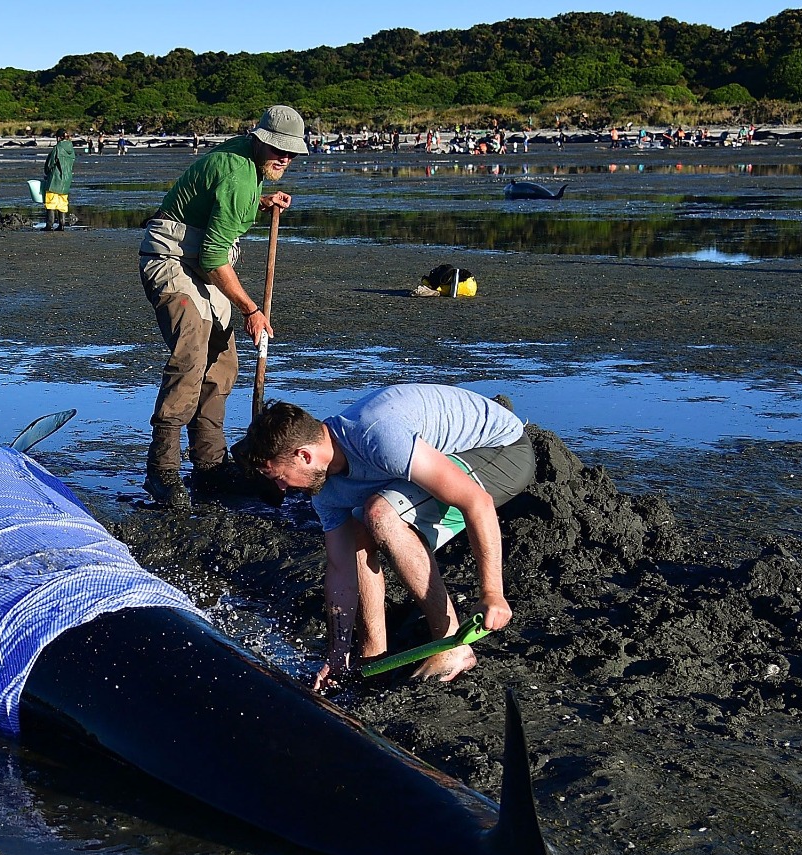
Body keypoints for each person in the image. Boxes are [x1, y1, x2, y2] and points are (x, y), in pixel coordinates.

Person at [241, 386, 535, 688]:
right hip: (437, 455)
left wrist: (492, 595)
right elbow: (341, 569)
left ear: (304, 455)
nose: (281, 489)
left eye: (277, 477)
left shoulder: (378, 436)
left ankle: (452, 646)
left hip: (501, 450)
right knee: (358, 529)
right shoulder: (325, 493)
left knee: (380, 514)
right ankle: (373, 657)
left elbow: (477, 502)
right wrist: (338, 653)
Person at [137, 104, 305, 507]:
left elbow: (217, 212)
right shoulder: (237, 176)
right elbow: (213, 257)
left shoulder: (247, 165)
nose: (284, 158)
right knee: (191, 357)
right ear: (259, 139)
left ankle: (210, 467)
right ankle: (162, 471)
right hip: (172, 260)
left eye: (292, 152)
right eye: (277, 149)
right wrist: (251, 309)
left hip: (202, 260)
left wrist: (262, 202)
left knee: (223, 364)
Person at [41, 133, 75, 230]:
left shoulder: (57, 148)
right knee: (63, 202)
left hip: (55, 179)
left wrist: (47, 173)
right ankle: (62, 225)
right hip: (67, 179)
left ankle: (49, 225)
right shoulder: (71, 150)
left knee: (51, 201)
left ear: (59, 137)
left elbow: (49, 164)